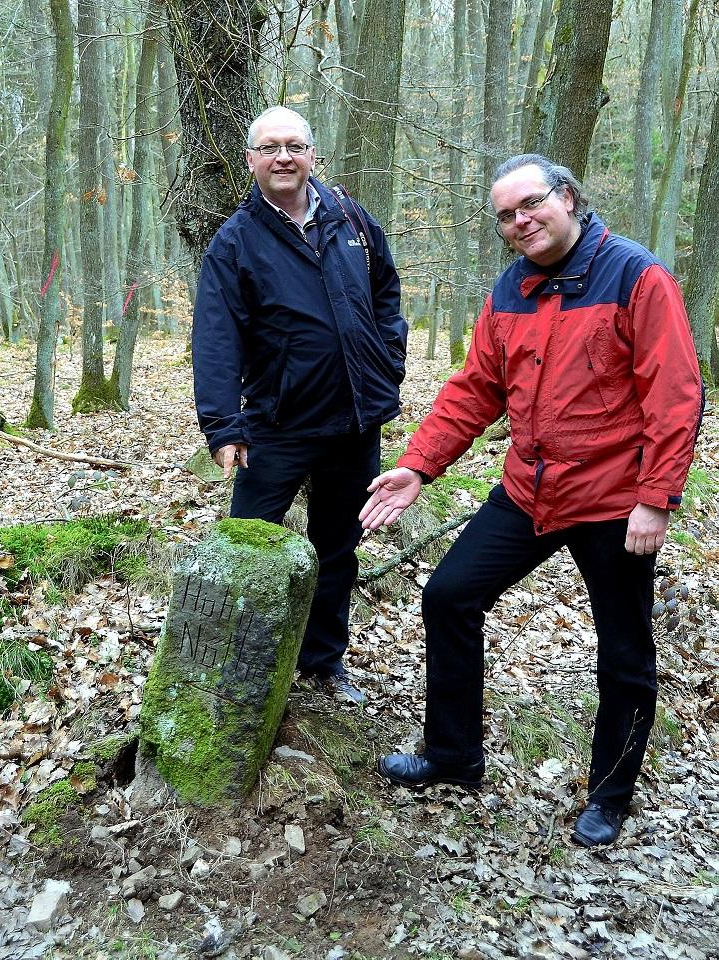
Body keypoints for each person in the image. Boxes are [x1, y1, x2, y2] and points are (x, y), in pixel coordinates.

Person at [359, 154, 703, 846]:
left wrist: (657, 497)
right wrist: (418, 468)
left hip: (613, 498)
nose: (520, 222)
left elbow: (675, 394)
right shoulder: (510, 288)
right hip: (529, 488)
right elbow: (474, 389)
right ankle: (453, 756)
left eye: (530, 205)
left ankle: (609, 796)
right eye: (506, 217)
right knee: (450, 594)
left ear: (568, 198)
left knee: (624, 650)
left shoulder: (637, 276)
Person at [192, 106, 407, 704]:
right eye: (270, 148)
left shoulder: (351, 219)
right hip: (277, 425)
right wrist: (223, 424)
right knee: (246, 545)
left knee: (337, 549)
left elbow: (386, 292)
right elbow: (216, 336)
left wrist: (389, 357)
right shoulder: (235, 241)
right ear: (252, 160)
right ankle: (229, 667)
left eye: (294, 145)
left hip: (354, 422)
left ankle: (323, 662)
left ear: (313, 153)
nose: (283, 157)